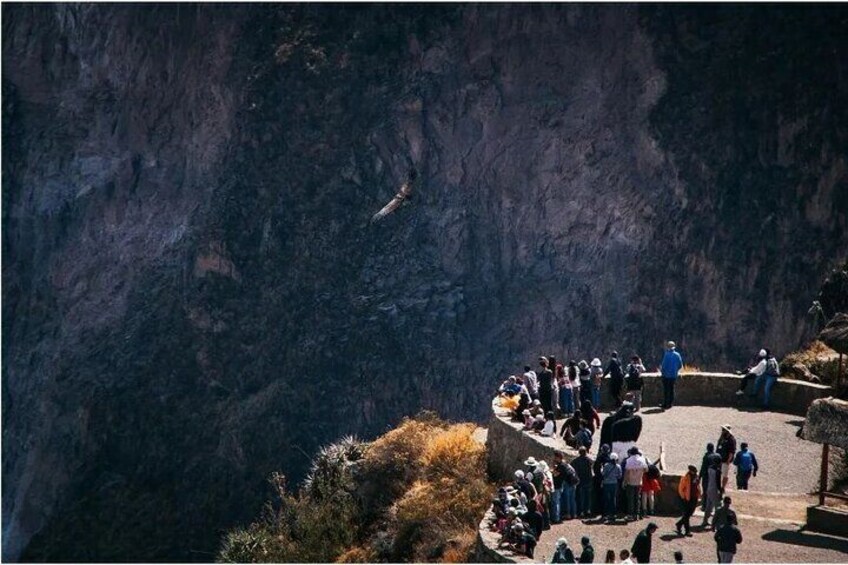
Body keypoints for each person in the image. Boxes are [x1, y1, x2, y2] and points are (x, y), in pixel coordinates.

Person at [622, 447, 648, 520]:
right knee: (637, 499)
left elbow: (626, 473)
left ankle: (630, 514)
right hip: (639, 482)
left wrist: (624, 482)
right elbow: (646, 470)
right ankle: (637, 514)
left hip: (631, 482)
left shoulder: (628, 460)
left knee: (631, 499)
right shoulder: (642, 460)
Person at [675, 465, 701, 536]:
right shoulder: (685, 477)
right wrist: (683, 497)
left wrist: (699, 493)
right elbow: (681, 488)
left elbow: (698, 486)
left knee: (689, 513)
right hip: (687, 498)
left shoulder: (696, 476)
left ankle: (679, 524)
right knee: (686, 515)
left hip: (694, 497)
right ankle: (687, 531)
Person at [659, 341, 683, 409]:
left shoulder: (666, 355)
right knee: (672, 389)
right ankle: (670, 404)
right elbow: (680, 365)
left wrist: (663, 372)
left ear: (668, 347)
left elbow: (663, 366)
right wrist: (675, 371)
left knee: (666, 390)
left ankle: (665, 404)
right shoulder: (677, 355)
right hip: (673, 375)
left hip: (666, 376)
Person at [701, 452, 722, 529]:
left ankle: (705, 521)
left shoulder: (709, 468)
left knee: (708, 506)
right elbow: (718, 482)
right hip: (715, 489)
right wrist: (720, 491)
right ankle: (715, 523)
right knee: (717, 507)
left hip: (709, 488)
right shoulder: (718, 471)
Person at [573, 446, 595, 517]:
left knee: (581, 497)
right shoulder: (589, 460)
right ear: (586, 452)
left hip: (580, 481)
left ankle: (582, 511)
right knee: (588, 497)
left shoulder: (576, 461)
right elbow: (592, 471)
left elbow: (572, 469)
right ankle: (588, 510)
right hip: (588, 480)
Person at [602, 453, 622, 522]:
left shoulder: (606, 465)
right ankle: (613, 514)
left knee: (606, 499)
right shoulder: (618, 466)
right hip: (614, 484)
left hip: (606, 484)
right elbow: (620, 476)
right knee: (613, 499)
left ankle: (605, 514)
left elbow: (603, 474)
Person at [716, 425, 737, 493]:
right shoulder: (722, 438)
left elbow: (732, 451)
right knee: (718, 473)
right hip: (719, 459)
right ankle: (718, 486)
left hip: (725, 460)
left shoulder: (731, 440)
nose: (722, 431)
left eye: (723, 430)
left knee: (725, 474)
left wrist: (728, 460)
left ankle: (723, 487)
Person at [698, 443, 716, 510]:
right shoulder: (716, 456)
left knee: (705, 491)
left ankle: (704, 506)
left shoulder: (706, 457)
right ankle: (711, 507)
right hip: (713, 476)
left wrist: (699, 477)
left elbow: (703, 467)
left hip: (706, 476)